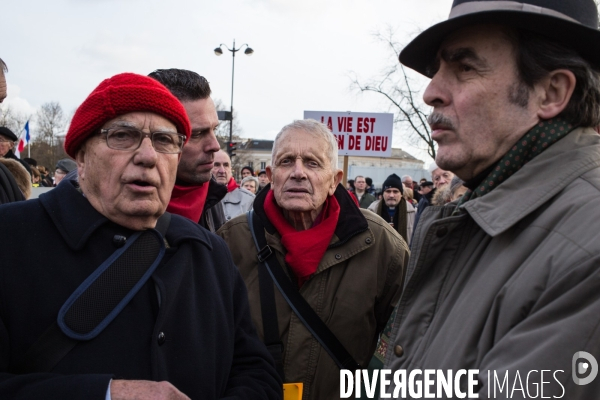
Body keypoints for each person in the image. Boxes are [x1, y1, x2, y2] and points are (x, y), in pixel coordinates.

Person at [0, 72, 281, 400]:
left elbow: (256, 372)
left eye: (165, 140)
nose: (148, 156)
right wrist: (105, 394)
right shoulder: (10, 239)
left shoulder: (209, 253)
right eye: (122, 136)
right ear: (81, 156)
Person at [383, 0, 600, 397]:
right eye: (436, 71)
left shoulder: (588, 245)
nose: (431, 92)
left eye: (464, 67)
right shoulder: (479, 213)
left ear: (551, 92)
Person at [217, 119, 407, 399]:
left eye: (312, 163)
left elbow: (408, 345)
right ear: (270, 175)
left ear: (334, 181)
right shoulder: (232, 243)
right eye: (286, 162)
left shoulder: (381, 246)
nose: (298, 172)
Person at [148, 69, 227, 232]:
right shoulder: (117, 204)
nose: (215, 145)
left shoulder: (212, 195)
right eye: (197, 133)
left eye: (215, 130)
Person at [367, 173, 415, 246]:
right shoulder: (372, 211)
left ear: (401, 194)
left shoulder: (412, 212)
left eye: (395, 191)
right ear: (383, 193)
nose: (391, 195)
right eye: (388, 191)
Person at [212, 149, 254, 221]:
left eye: (226, 165)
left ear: (230, 169)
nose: (222, 171)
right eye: (216, 165)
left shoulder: (249, 200)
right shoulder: (198, 197)